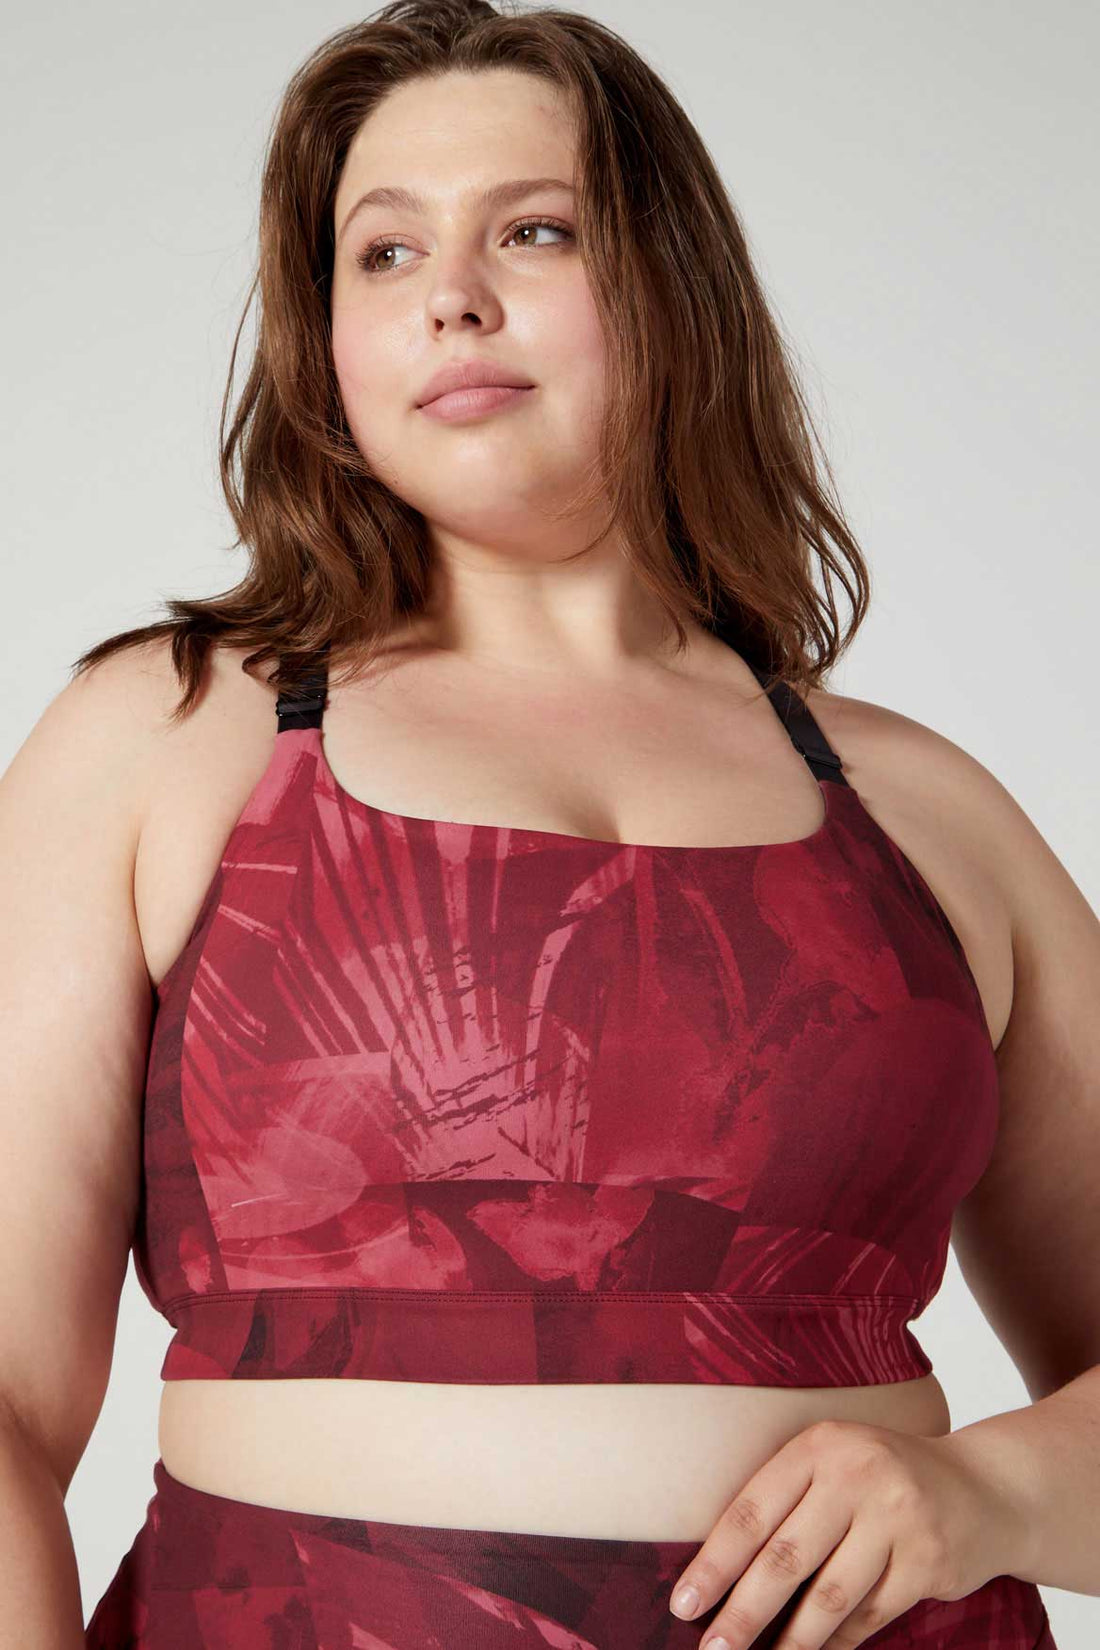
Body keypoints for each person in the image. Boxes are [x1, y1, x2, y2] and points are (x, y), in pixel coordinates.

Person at [3, 1, 1095, 1645]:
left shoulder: (926, 812)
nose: (450, 293)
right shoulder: (167, 741)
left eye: (533, 229)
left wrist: (992, 1491)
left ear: (673, 284)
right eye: (384, 252)